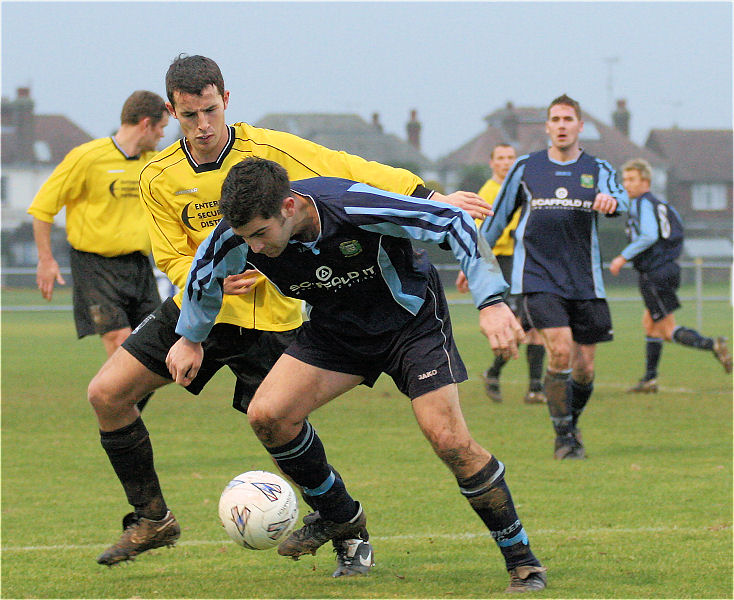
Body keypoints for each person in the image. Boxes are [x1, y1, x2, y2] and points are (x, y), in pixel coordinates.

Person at [88, 54, 491, 573]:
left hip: (272, 318)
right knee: (106, 393)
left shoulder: (272, 150)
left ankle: (347, 527)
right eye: (190, 116)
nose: (203, 125)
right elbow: (168, 253)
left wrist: (430, 196)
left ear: (226, 101)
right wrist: (204, 279)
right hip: (201, 309)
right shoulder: (158, 176)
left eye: (211, 110)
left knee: (280, 429)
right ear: (173, 112)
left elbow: (351, 170)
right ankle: (151, 518)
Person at [167, 157, 548, 593]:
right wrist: (190, 337)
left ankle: (521, 559)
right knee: (268, 416)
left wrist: (492, 302)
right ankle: (343, 519)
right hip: (337, 332)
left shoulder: (354, 206)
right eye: (244, 238)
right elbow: (204, 273)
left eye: (259, 234)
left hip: (410, 326)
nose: (251, 249)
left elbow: (454, 221)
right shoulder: (237, 237)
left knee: (449, 439)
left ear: (289, 207)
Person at [480, 94, 629, 460]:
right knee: (559, 349)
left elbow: (621, 198)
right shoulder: (526, 168)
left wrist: (612, 202)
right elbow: (496, 221)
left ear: (579, 126)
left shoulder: (598, 168)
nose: (562, 125)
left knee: (585, 368)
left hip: (585, 280)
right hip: (537, 277)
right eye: (555, 119)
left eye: (568, 119)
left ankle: (570, 423)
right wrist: (476, 263)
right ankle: (563, 439)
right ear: (547, 127)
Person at [28, 90, 169, 412]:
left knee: (157, 350)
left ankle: (117, 412)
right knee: (120, 342)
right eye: (160, 127)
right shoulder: (87, 157)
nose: (163, 135)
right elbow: (42, 209)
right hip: (95, 267)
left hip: (138, 266)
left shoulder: (155, 165)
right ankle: (117, 414)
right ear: (146, 124)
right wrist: (46, 260)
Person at [609, 158, 732, 391]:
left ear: (646, 181)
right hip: (667, 269)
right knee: (650, 324)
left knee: (665, 330)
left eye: (632, 179)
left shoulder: (643, 203)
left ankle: (713, 345)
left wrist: (622, 257)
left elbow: (648, 235)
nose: (627, 184)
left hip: (655, 273)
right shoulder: (661, 204)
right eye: (624, 179)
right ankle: (649, 379)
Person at [456, 144, 547, 404]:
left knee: (533, 320)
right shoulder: (488, 191)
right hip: (501, 261)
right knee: (518, 320)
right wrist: (472, 266)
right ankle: (495, 373)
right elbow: (478, 231)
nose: (506, 162)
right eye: (501, 158)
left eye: (511, 158)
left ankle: (534, 388)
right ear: (492, 163)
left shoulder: (525, 186)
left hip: (528, 259)